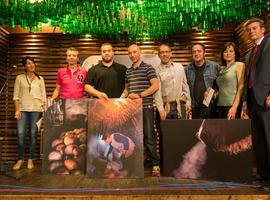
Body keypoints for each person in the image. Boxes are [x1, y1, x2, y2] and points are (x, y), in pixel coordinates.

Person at [122, 44, 160, 176]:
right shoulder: (128, 71)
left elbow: (155, 85)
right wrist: (120, 99)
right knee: (134, 137)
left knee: (149, 136)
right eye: (130, 53)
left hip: (146, 107)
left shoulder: (148, 68)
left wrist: (139, 96)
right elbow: (127, 89)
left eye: (134, 52)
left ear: (140, 52)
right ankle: (137, 165)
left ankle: (155, 164)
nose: (132, 55)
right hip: (132, 109)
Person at [241, 18, 270, 188]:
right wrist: (245, 102)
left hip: (266, 100)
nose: (251, 32)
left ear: (263, 30)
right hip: (253, 102)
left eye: (254, 28)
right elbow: (247, 80)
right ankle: (262, 176)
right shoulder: (249, 53)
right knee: (259, 142)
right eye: (249, 30)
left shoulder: (269, 45)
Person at [13, 57, 46, 170]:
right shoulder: (19, 78)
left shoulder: (40, 79)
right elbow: (16, 96)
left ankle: (30, 159)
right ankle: (20, 159)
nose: (31, 65)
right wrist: (17, 110)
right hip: (22, 109)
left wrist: (44, 109)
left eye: (32, 63)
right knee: (21, 134)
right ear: (25, 66)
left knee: (33, 135)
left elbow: (43, 96)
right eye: (28, 63)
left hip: (37, 110)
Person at [154, 44, 191, 120]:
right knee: (167, 131)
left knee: (182, 130)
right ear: (159, 55)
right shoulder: (156, 70)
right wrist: (160, 109)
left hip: (181, 105)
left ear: (171, 53)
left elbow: (185, 86)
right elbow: (157, 92)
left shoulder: (179, 67)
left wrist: (188, 103)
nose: (165, 54)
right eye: (162, 52)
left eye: (167, 52)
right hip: (166, 107)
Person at [185, 43, 220, 119]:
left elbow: (221, 89)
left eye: (199, 51)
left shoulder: (214, 67)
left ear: (204, 53)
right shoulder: (187, 70)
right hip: (193, 109)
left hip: (211, 108)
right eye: (194, 52)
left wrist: (213, 95)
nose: (196, 53)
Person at [215, 42, 245, 119]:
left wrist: (234, 107)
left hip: (231, 106)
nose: (228, 53)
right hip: (219, 107)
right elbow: (221, 90)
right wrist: (212, 95)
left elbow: (241, 87)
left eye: (231, 51)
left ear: (235, 54)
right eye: (225, 51)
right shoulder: (221, 70)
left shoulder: (239, 65)